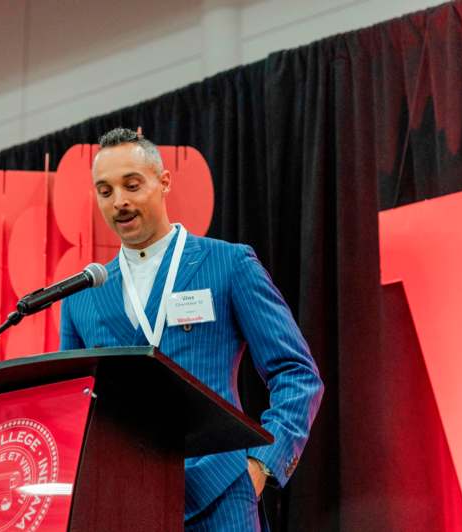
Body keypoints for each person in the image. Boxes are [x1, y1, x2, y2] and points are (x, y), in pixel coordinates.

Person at [59, 127, 323, 531]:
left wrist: (260, 465)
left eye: (132, 185)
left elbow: (297, 372)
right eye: (105, 191)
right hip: (121, 502)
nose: (120, 202)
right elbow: (74, 407)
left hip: (221, 492)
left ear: (163, 182)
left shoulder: (229, 264)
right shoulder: (81, 295)